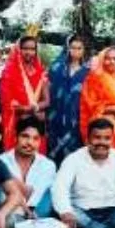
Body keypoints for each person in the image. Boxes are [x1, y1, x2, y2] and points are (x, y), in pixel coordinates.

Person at [52, 118, 115, 228]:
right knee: (66, 210)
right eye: (97, 137)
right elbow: (60, 187)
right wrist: (66, 212)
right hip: (84, 213)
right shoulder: (73, 159)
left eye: (107, 138)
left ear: (112, 140)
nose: (102, 142)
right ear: (87, 139)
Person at [0, 117, 58, 218]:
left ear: (40, 141)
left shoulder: (48, 165)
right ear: (15, 136)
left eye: (36, 138)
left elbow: (33, 196)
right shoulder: (1, 161)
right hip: (9, 212)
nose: (30, 143)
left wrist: (8, 176)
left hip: (38, 213)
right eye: (25, 136)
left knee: (52, 192)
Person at [0, 35, 47, 152]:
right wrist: (28, 109)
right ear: (18, 50)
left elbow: (47, 100)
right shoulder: (9, 73)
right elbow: (7, 102)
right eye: (25, 48)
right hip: (16, 123)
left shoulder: (41, 72)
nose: (29, 52)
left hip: (36, 123)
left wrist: (32, 109)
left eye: (32, 49)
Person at [46, 34, 90, 163]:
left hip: (76, 118)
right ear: (68, 48)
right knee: (54, 151)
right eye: (73, 47)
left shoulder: (88, 73)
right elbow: (47, 88)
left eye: (79, 48)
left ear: (84, 51)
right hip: (56, 116)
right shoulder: (57, 68)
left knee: (74, 155)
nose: (75, 51)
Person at [79, 46, 115, 142]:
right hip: (102, 124)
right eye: (108, 58)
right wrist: (113, 109)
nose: (112, 61)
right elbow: (90, 104)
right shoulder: (94, 78)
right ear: (102, 59)